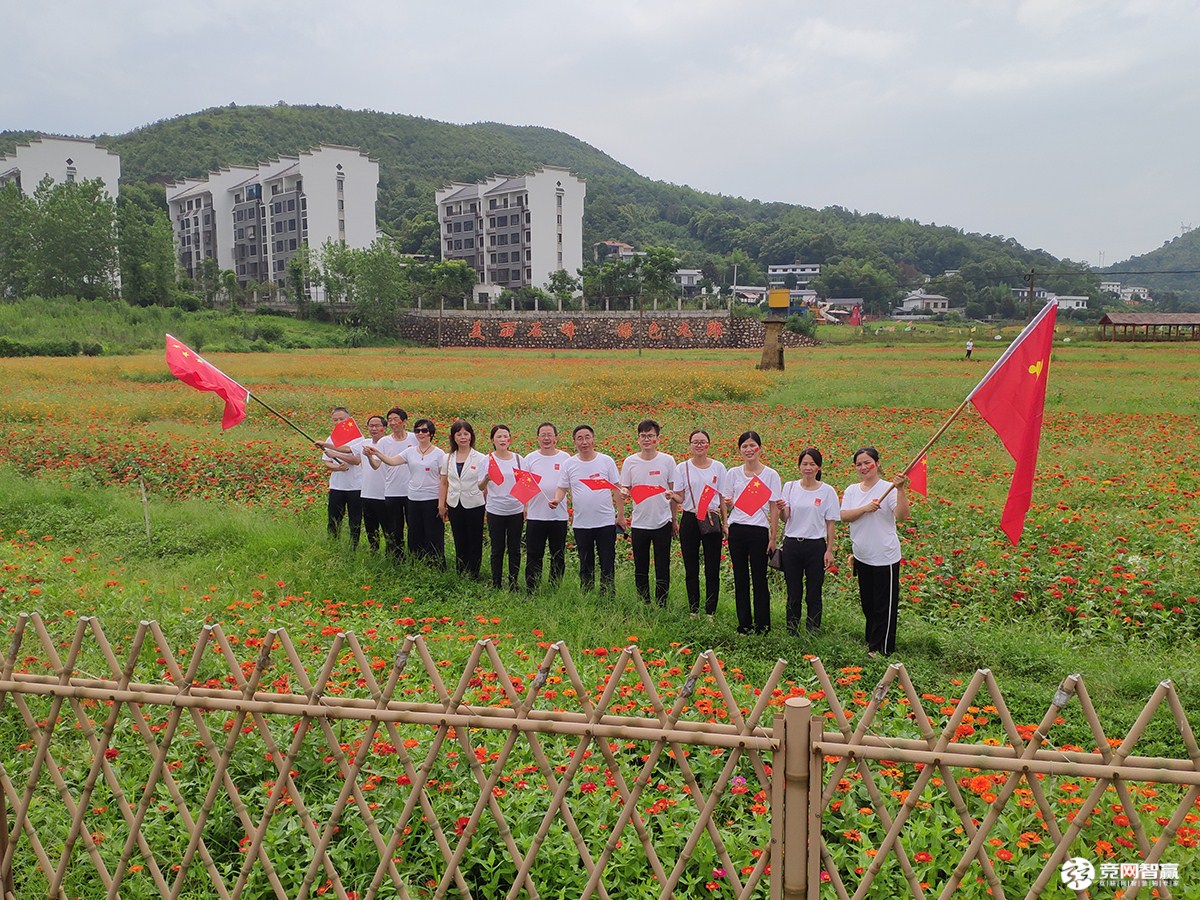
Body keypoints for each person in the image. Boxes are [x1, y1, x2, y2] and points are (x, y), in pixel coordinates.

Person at [840, 446, 910, 658]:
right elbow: (844, 516)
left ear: (877, 463)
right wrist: (865, 509)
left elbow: (902, 515)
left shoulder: (888, 488)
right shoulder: (852, 490)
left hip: (884, 556)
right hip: (863, 555)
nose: (863, 467)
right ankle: (872, 640)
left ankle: (882, 649)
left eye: (867, 463)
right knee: (868, 604)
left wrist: (900, 489)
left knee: (884, 606)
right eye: (859, 464)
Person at [553, 425, 625, 596]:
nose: (584, 442)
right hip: (582, 522)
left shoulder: (606, 461)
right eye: (580, 438)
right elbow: (562, 488)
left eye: (587, 437)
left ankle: (608, 595)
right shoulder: (569, 464)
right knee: (585, 562)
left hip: (605, 521)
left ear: (593, 440)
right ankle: (587, 594)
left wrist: (621, 515)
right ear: (574, 442)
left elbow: (617, 489)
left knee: (607, 560)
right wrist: (557, 499)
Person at [722, 431, 782, 634]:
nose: (749, 450)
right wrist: (728, 504)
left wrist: (773, 537)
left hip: (759, 531)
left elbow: (774, 508)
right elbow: (728, 503)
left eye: (752, 445)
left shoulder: (770, 475)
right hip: (737, 529)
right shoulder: (733, 473)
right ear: (740, 450)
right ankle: (744, 624)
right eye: (744, 446)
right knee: (740, 578)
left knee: (759, 578)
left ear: (760, 448)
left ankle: (763, 625)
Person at [363, 418, 446, 565]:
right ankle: (416, 562)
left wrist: (442, 503)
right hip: (413, 498)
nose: (421, 433)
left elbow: (444, 480)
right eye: (417, 431)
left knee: (432, 533)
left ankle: (435, 563)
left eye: (424, 431)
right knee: (414, 532)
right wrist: (376, 453)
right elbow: (391, 461)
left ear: (431, 433)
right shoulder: (410, 452)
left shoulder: (439, 454)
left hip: (431, 498)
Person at [777, 448, 840, 634]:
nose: (808, 467)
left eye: (812, 464)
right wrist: (781, 509)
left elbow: (830, 523)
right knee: (793, 590)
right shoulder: (790, 487)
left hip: (815, 546)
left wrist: (829, 550)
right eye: (804, 464)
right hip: (792, 544)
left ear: (818, 467)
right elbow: (785, 517)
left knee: (814, 591)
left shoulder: (827, 491)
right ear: (799, 466)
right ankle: (792, 628)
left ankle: (813, 629)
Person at [619, 419, 678, 606]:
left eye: (650, 436)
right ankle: (644, 601)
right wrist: (624, 492)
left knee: (662, 565)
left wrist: (674, 519)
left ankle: (662, 603)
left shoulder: (667, 461)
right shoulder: (630, 462)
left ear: (658, 439)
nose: (646, 439)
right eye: (643, 436)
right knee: (640, 566)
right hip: (639, 522)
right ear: (638, 439)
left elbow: (673, 492)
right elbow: (625, 488)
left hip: (662, 521)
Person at [674, 429, 727, 621]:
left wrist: (725, 523)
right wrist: (672, 496)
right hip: (690, 518)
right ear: (690, 445)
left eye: (702, 442)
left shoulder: (718, 467)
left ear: (708, 445)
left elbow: (722, 497)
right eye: (695, 442)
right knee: (691, 567)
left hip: (711, 518)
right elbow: (680, 497)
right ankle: (693, 609)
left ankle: (710, 611)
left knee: (712, 567)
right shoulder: (682, 468)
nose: (699, 445)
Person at [523, 422, 571, 591]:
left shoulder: (565, 458)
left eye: (550, 434)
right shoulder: (530, 458)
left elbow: (569, 484)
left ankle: (555, 587)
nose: (546, 438)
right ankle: (532, 588)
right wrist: (525, 507)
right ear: (537, 438)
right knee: (534, 554)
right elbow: (524, 486)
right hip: (536, 515)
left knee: (558, 554)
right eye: (543, 435)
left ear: (556, 438)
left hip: (559, 515)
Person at [439, 419, 488, 578]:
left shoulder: (480, 458)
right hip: (454, 503)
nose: (462, 437)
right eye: (458, 434)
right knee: (459, 538)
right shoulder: (447, 458)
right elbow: (444, 482)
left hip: (474, 503)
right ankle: (461, 571)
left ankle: (474, 573)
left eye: (466, 434)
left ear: (471, 436)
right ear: (453, 437)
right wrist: (441, 504)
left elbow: (484, 485)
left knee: (474, 539)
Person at [480, 424, 524, 590]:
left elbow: (524, 484)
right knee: (497, 549)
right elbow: (480, 487)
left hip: (516, 510)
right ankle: (496, 583)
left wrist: (525, 506)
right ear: (493, 440)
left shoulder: (518, 459)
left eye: (506, 436)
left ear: (510, 439)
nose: (503, 439)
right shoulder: (487, 460)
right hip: (495, 510)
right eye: (499, 436)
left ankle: (514, 583)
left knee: (515, 549)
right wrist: (486, 478)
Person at [315, 406, 364, 549]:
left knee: (355, 519)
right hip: (337, 486)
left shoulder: (358, 438)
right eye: (335, 420)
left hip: (356, 486)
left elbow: (356, 460)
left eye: (341, 419)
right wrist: (337, 468)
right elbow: (327, 462)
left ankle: (353, 546)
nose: (338, 422)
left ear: (348, 420)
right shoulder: (331, 438)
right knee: (334, 518)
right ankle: (332, 544)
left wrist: (335, 453)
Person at [378, 407, 416, 558]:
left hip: (413, 491)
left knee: (414, 526)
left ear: (404, 421)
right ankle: (396, 558)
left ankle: (415, 556)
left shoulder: (415, 438)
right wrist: (369, 456)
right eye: (389, 420)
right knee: (395, 528)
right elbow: (376, 464)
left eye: (396, 419)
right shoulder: (384, 441)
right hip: (392, 490)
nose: (392, 423)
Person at [358, 415, 391, 553]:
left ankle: (392, 553)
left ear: (385, 427)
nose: (374, 428)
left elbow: (376, 465)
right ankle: (374, 552)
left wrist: (370, 456)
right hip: (367, 493)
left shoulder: (388, 444)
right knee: (371, 528)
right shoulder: (365, 443)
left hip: (384, 493)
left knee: (388, 528)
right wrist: (326, 446)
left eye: (377, 426)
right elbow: (347, 449)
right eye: (371, 426)